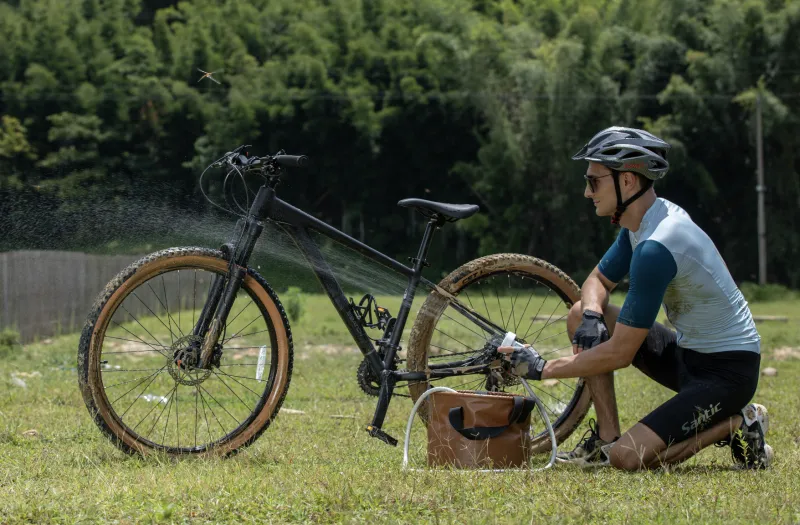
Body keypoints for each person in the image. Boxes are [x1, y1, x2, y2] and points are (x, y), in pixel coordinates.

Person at [499, 126, 772, 470]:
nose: (587, 192)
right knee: (580, 312)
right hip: (688, 356)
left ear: (627, 181)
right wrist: (592, 315)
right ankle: (606, 439)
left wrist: (542, 368)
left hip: (727, 374)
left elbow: (621, 353)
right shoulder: (642, 222)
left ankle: (737, 422)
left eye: (593, 181)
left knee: (628, 458)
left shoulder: (657, 246)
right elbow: (597, 280)